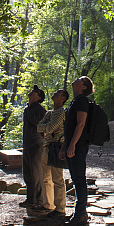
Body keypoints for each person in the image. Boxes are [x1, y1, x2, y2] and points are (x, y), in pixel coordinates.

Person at [60, 76, 93, 226]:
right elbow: (70, 127)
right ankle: (79, 213)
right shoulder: (74, 102)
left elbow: (80, 124)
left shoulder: (81, 102)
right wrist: (64, 146)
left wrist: (72, 145)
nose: (76, 80)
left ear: (84, 87)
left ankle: (81, 214)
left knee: (79, 179)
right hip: (72, 146)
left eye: (80, 79)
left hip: (78, 147)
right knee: (76, 178)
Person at [37, 88, 69, 217]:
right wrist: (47, 127)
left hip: (57, 147)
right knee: (45, 177)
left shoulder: (62, 112)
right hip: (47, 147)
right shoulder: (50, 112)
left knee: (57, 178)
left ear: (63, 99)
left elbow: (49, 128)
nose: (54, 94)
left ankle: (60, 207)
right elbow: (39, 127)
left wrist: (46, 127)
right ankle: (48, 204)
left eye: (58, 93)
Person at [19, 85, 46, 208]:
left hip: (36, 143)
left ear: (38, 97)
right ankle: (30, 199)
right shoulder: (27, 108)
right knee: (28, 173)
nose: (32, 91)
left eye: (35, 91)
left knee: (36, 173)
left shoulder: (40, 110)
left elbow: (41, 125)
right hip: (27, 144)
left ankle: (39, 201)